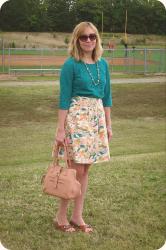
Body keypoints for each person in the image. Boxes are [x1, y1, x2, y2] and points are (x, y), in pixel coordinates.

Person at [54, 21, 113, 233]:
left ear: (97, 39)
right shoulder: (71, 65)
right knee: (74, 169)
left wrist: (108, 124)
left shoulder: (103, 64)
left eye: (92, 36)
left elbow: (107, 96)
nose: (88, 40)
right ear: (77, 40)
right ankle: (61, 216)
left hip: (96, 118)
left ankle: (77, 216)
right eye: (84, 37)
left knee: (85, 170)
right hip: (76, 118)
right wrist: (60, 129)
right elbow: (63, 98)